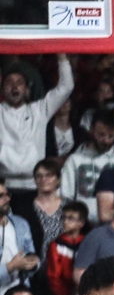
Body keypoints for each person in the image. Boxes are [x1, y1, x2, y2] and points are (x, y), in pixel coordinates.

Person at [1, 55, 73, 194]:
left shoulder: (40, 110)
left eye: (19, 82)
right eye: (9, 82)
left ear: (27, 89)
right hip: (3, 186)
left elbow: (66, 86)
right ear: (3, 89)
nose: (14, 86)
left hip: (35, 186)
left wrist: (62, 57)